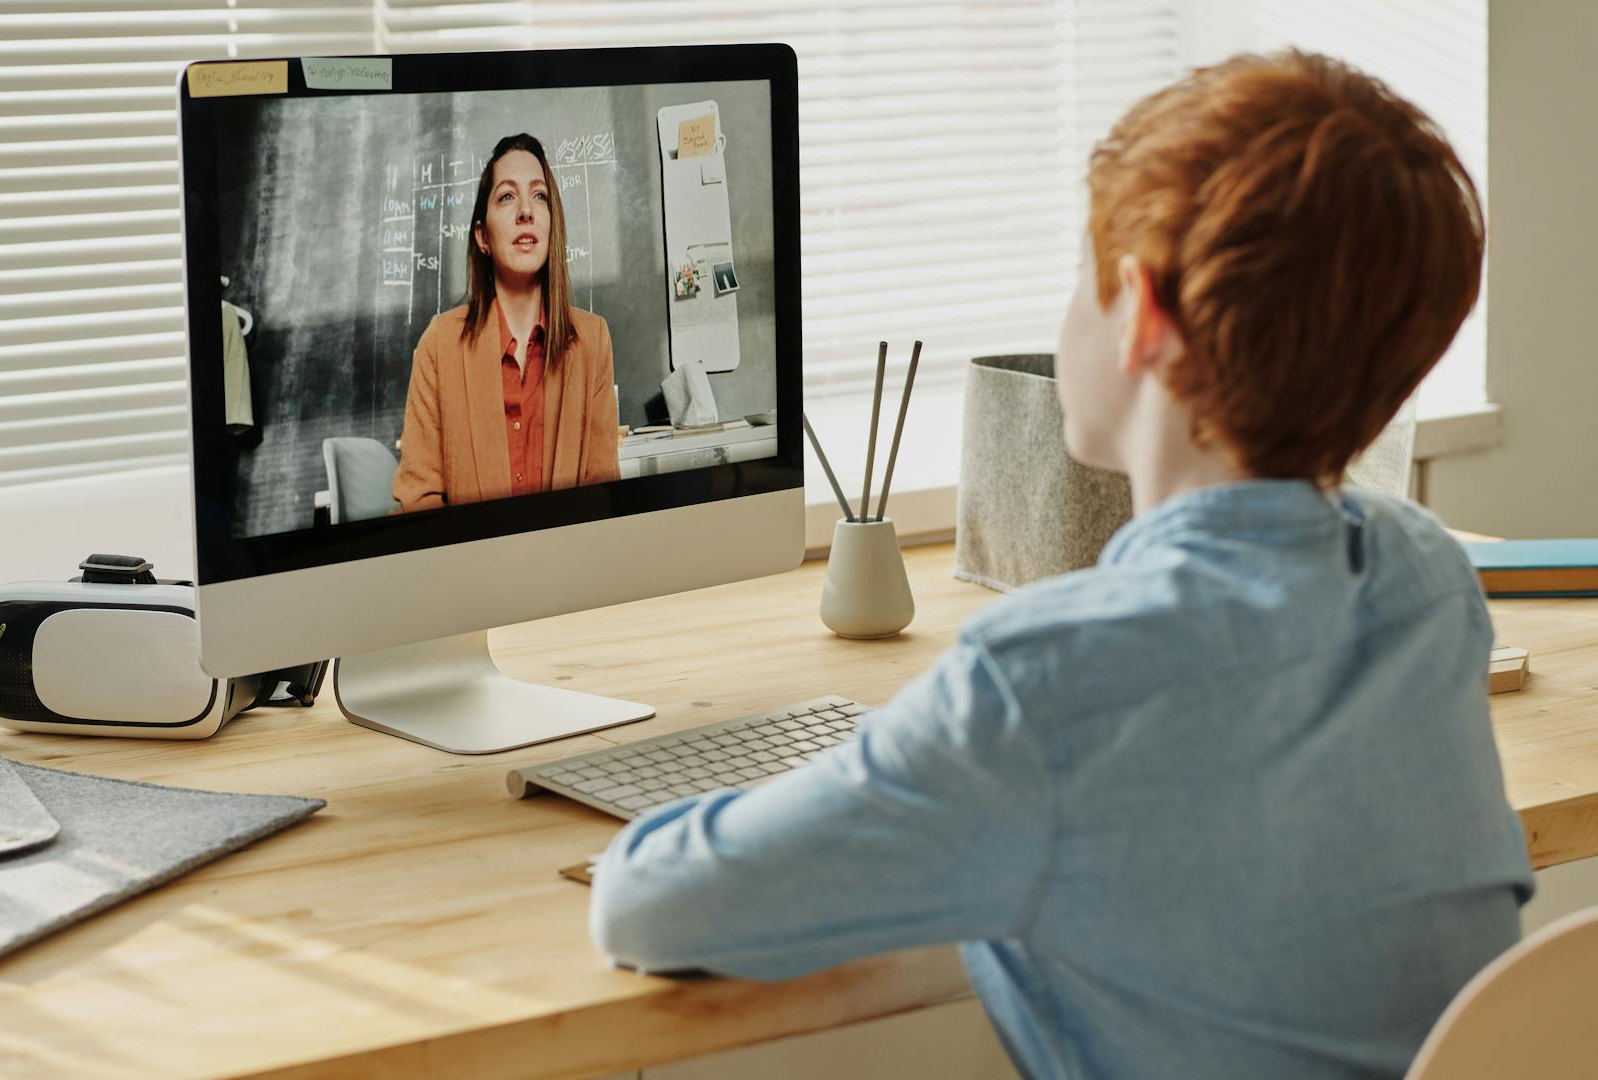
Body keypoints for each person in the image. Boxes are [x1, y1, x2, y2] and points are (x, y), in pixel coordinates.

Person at [588, 50, 1533, 1080]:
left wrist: (870, 778)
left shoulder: (1048, 685)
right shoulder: (1425, 581)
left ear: (1143, 315)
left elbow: (651, 905)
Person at [392, 133, 621, 513]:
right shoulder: (439, 344)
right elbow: (420, 501)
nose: (526, 211)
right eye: (507, 196)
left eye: (540, 196)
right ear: (482, 236)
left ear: (552, 225)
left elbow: (602, 497)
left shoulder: (592, 342)